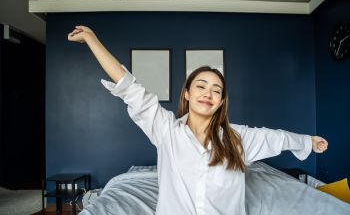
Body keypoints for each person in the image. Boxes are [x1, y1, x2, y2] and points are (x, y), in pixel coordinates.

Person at [68, 26, 328, 215]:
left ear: (221, 101)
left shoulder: (239, 138)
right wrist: (92, 39)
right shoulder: (167, 130)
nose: (209, 93)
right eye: (201, 86)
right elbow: (129, 87)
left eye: (217, 90)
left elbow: (277, 137)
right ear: (187, 94)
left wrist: (307, 141)